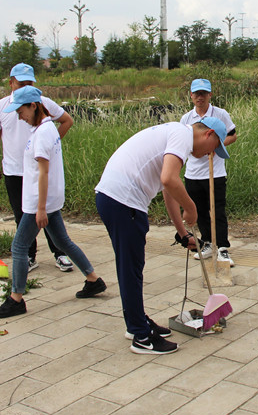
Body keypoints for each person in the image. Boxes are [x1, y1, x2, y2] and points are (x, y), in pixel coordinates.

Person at [95, 117, 230, 354]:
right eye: (214, 149)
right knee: (130, 269)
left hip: (116, 198)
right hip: (123, 200)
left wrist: (183, 234)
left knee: (132, 267)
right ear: (208, 134)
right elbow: (169, 179)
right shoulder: (182, 136)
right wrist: (191, 208)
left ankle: (137, 322)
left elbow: (168, 188)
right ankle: (141, 336)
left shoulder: (175, 135)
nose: (210, 155)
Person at [0, 86, 106, 319]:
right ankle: (93, 280)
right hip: (48, 199)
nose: (19, 117)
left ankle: (16, 299)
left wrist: (41, 208)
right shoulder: (46, 128)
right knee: (62, 241)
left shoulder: (43, 133)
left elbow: (43, 172)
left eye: (21, 111)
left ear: (34, 106)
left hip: (39, 202)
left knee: (19, 247)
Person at [0, 63, 76, 273]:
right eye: (21, 84)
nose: (25, 87)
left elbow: (66, 121)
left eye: (29, 83)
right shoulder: (1, 107)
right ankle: (29, 255)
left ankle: (60, 253)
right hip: (14, 171)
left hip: (38, 172)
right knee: (22, 216)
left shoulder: (42, 103)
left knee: (48, 213)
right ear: (11, 83)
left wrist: (49, 146)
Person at [180, 78, 238, 266]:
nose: (200, 97)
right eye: (197, 94)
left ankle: (222, 247)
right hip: (193, 173)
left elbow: (232, 135)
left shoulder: (220, 114)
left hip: (215, 172)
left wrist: (216, 145)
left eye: (203, 94)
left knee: (217, 210)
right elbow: (182, 142)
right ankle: (207, 243)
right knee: (199, 210)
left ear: (210, 95)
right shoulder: (186, 119)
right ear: (191, 96)